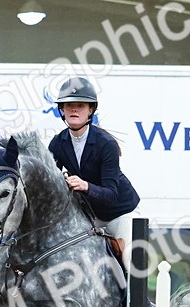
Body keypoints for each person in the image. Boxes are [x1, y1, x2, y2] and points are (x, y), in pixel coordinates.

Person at [47, 76, 140, 240]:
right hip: (90, 215)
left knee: (127, 260)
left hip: (120, 212)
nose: (74, 110)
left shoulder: (106, 144)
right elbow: (50, 184)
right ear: (62, 110)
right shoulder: (57, 143)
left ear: (90, 110)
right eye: (69, 105)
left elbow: (111, 194)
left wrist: (85, 186)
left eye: (80, 105)